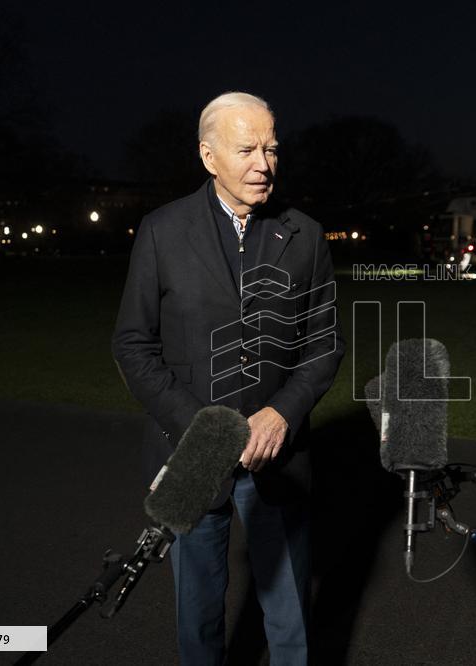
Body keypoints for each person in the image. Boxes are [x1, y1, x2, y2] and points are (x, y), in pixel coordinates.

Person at [112, 91, 344, 665]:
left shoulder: (305, 234)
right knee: (198, 616)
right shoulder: (162, 231)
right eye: (246, 149)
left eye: (270, 148)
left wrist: (283, 412)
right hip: (188, 455)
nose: (263, 163)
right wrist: (204, 432)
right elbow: (133, 346)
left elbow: (325, 344)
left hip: (279, 458)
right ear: (208, 156)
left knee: (289, 616)